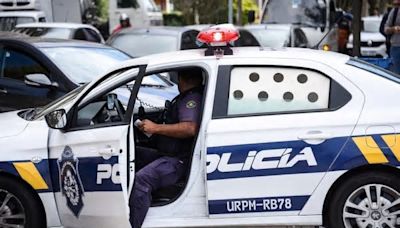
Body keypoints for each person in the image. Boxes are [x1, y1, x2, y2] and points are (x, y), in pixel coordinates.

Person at [129, 68, 203, 228]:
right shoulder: (185, 97)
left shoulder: (192, 98)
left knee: (142, 179)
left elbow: (190, 128)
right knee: (131, 153)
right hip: (170, 154)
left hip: (179, 161)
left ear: (181, 79)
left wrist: (155, 128)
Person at [385, 0, 400, 74]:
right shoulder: (395, 12)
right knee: (396, 74)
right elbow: (386, 29)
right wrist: (393, 29)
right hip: (396, 47)